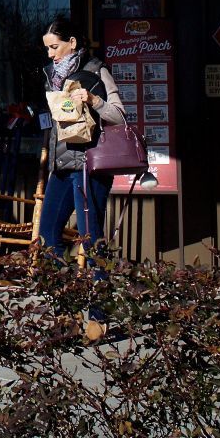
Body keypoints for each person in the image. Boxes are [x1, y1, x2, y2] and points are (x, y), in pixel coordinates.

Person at [37, 17, 127, 262]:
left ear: (72, 42)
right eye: (47, 48)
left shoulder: (97, 70)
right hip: (62, 164)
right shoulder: (52, 77)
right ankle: (57, 294)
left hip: (90, 165)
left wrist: (93, 100)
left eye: (54, 47)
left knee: (90, 236)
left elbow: (120, 116)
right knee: (47, 233)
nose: (50, 54)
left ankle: (99, 292)